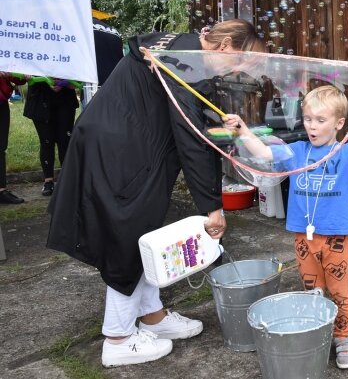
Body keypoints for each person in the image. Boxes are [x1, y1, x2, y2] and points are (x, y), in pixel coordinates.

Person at [46, 19, 266, 367]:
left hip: (125, 146)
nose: (236, 70)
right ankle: (117, 338)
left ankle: (153, 317)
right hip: (120, 154)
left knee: (143, 232)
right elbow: (191, 138)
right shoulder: (183, 63)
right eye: (239, 61)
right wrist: (212, 207)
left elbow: (194, 117)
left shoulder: (179, 50)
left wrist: (220, 123)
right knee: (128, 234)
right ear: (224, 47)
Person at [223, 85, 348, 370]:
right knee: (312, 289)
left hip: (336, 238)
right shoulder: (296, 151)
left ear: (339, 123)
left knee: (340, 291)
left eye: (320, 120)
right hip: (304, 237)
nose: (312, 126)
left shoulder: (347, 152)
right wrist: (243, 131)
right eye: (308, 119)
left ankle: (343, 337)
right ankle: (318, 331)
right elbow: (264, 153)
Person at [23, 76, 81, 195]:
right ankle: (48, 181)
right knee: (46, 140)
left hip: (65, 97)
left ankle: (67, 181)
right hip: (40, 97)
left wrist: (66, 81)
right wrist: (27, 74)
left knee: (65, 140)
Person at [0, 73, 27, 205]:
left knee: (0, 147)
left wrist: (23, 74)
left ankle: (1, 191)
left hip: (1, 102)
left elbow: (18, 79)